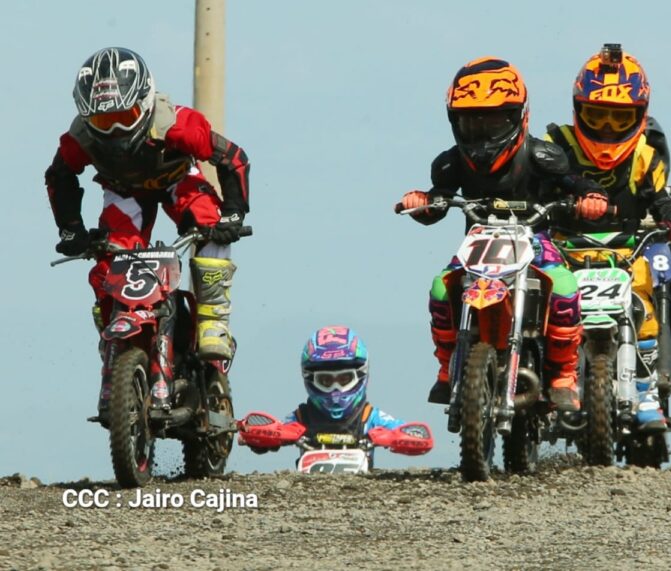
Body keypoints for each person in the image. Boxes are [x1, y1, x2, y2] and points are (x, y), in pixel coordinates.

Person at [397, 57, 611, 412]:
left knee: (564, 286)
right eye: (471, 122)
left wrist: (591, 198)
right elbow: (437, 201)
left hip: (535, 241)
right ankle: (447, 367)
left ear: (517, 117)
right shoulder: (450, 163)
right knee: (440, 286)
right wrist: (422, 202)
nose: (482, 132)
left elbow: (576, 182)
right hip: (479, 243)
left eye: (493, 121)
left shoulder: (544, 156)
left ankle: (563, 374)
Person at [45, 47, 250, 414]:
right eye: (105, 122)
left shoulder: (178, 124)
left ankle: (212, 321)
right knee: (108, 261)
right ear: (87, 116)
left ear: (144, 101)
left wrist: (233, 214)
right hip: (124, 190)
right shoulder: (80, 137)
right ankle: (115, 338)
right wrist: (71, 230)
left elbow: (233, 158)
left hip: (176, 178)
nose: (117, 129)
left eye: (125, 116)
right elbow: (59, 176)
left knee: (207, 223)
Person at [544, 43, 671, 426]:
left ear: (640, 116)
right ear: (578, 110)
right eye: (597, 115)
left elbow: (665, 203)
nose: (606, 128)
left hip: (629, 256)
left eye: (619, 119)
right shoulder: (554, 148)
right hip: (562, 254)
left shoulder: (646, 156)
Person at [241, 326, 433, 455]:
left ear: (360, 376)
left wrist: (395, 438)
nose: (336, 390)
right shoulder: (301, 417)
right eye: (325, 380)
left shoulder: (370, 417)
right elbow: (271, 432)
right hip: (306, 496)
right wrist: (261, 434)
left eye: (344, 379)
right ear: (310, 379)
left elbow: (416, 434)